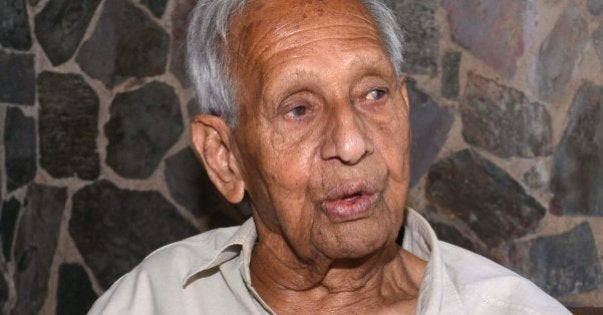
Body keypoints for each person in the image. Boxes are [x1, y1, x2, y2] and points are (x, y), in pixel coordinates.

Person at [89, 0, 570, 314]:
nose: (351, 142)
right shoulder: (153, 300)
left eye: (374, 93)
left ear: (405, 108)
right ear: (224, 156)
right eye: (298, 109)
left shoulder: (511, 308)